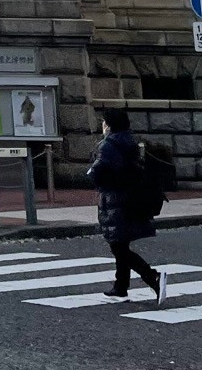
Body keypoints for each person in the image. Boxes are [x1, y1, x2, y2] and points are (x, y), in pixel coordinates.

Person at [87, 108, 166, 303]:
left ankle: (153, 276)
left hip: (114, 198)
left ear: (109, 124)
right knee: (120, 242)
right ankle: (120, 285)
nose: (102, 125)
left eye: (104, 122)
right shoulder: (129, 141)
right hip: (129, 196)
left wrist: (90, 175)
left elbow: (99, 169)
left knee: (118, 246)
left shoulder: (108, 145)